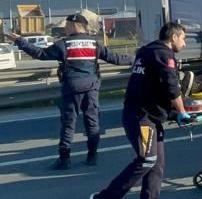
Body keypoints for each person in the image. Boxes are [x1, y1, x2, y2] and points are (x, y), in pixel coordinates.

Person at [90, 22, 189, 199]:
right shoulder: (164, 54)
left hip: (148, 116)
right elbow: (172, 88)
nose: (185, 43)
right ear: (173, 37)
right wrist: (182, 112)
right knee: (147, 160)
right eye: (183, 38)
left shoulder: (146, 51)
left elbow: (153, 85)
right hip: (142, 117)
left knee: (156, 163)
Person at [4, 13, 133, 169]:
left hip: (72, 87)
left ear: (75, 26)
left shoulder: (64, 44)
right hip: (92, 87)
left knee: (68, 124)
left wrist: (20, 41)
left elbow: (40, 54)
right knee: (92, 123)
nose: (64, 28)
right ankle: (92, 156)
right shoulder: (94, 44)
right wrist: (136, 59)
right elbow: (115, 58)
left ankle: (64, 160)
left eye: (66, 25)